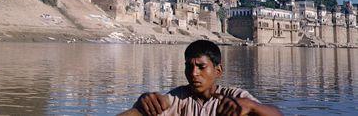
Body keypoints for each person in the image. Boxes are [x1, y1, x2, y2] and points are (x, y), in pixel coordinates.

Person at [118, 40, 282, 116]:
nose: (194, 73)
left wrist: (250, 105)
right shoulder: (178, 98)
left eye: (201, 67)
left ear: (218, 71)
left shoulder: (236, 97)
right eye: (189, 67)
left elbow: (276, 114)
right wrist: (142, 104)